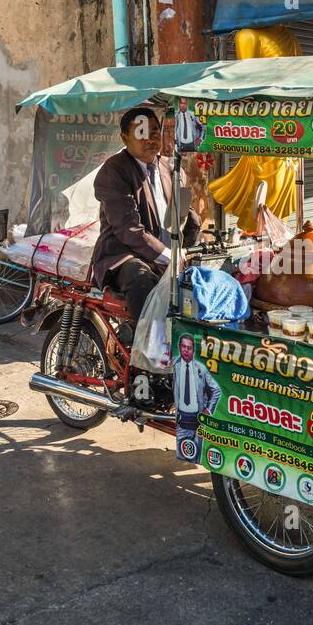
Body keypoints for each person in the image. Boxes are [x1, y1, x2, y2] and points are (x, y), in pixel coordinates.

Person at [91, 107, 200, 320]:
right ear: (124, 138)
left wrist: (191, 247)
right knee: (140, 278)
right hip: (124, 254)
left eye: (154, 132)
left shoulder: (171, 168)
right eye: (141, 133)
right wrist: (168, 255)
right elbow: (128, 229)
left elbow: (186, 215)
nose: (150, 139)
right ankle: (146, 345)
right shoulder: (114, 170)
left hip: (168, 253)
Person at [173, 333, 221, 461]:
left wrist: (208, 410)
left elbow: (216, 390)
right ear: (179, 347)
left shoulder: (201, 369)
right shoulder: (174, 366)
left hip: (198, 421)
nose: (186, 350)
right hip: (182, 420)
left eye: (189, 347)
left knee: (198, 456)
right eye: (183, 346)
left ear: (193, 350)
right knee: (184, 453)